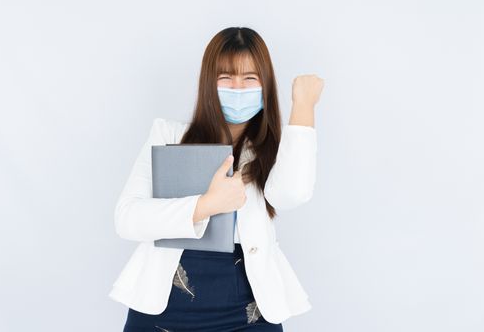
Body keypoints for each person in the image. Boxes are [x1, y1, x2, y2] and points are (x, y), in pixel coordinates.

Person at [109, 26, 324, 332]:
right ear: (209, 83)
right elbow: (127, 219)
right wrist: (206, 205)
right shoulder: (170, 135)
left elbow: (293, 193)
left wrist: (303, 107)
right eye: (226, 77)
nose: (238, 88)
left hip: (248, 309)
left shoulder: (275, 150)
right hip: (165, 307)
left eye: (250, 78)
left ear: (266, 85)